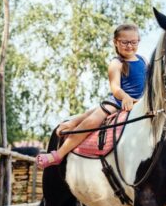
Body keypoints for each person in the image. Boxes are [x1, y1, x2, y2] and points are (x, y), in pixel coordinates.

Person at [36, 24, 147, 169]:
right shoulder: (116, 63)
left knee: (92, 112)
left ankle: (72, 122)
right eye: (124, 42)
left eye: (133, 42)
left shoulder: (143, 60)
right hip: (119, 101)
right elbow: (115, 88)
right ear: (115, 42)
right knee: (92, 121)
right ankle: (59, 154)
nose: (129, 46)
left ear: (138, 41)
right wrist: (125, 97)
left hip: (139, 102)